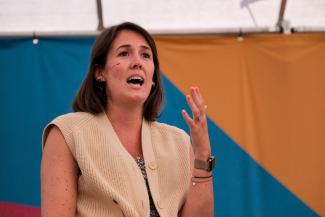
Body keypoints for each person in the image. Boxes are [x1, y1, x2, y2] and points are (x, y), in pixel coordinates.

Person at [41, 22, 214, 217]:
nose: (137, 62)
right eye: (124, 53)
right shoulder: (67, 132)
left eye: (145, 55)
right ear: (100, 73)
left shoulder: (179, 141)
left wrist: (201, 157)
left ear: (153, 77)